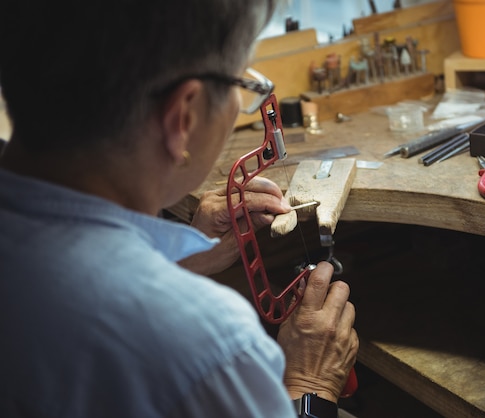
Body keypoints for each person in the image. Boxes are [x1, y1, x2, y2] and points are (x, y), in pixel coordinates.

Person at [0, 1, 358, 417]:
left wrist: (182, 263)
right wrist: (309, 386)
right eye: (239, 85)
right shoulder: (210, 346)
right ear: (182, 116)